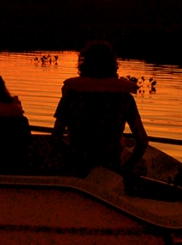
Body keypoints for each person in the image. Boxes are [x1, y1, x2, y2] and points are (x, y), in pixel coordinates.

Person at [50, 41, 148, 186]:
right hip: (111, 167)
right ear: (112, 65)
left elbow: (56, 137)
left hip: (76, 167)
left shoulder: (72, 96)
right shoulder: (124, 99)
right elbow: (142, 142)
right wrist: (125, 169)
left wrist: (70, 158)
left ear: (83, 64)